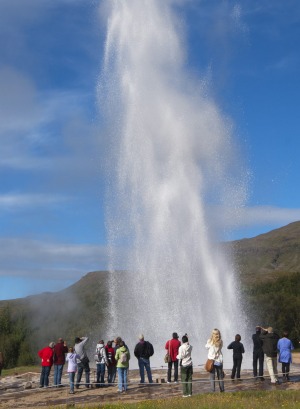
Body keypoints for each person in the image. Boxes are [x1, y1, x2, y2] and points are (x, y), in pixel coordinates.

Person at [205, 328, 224, 393]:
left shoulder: (209, 341)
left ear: (212, 334)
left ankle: (213, 391)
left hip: (211, 361)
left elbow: (206, 347)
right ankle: (222, 390)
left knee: (212, 377)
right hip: (219, 361)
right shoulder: (220, 341)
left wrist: (210, 341)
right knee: (220, 377)